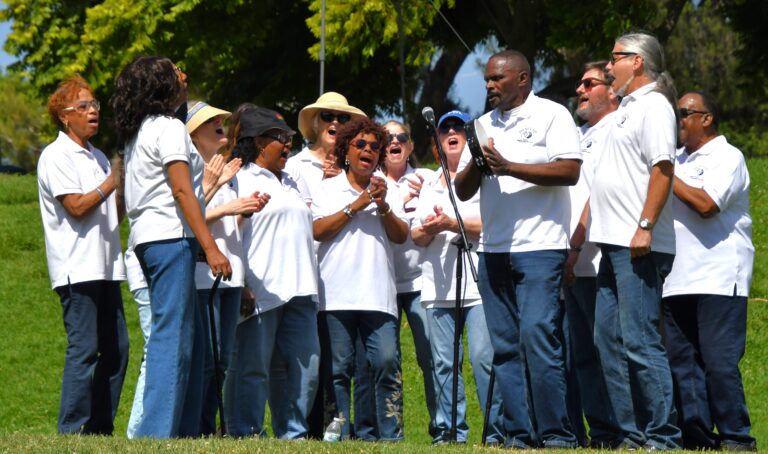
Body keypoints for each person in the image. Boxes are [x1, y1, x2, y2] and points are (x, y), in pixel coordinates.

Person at [454, 49, 582, 449]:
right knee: (506, 347)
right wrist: (478, 159)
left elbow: (570, 170)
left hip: (541, 247)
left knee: (537, 335)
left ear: (523, 79)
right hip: (493, 249)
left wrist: (509, 166)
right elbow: (462, 188)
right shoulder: (481, 124)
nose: (489, 85)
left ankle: (557, 435)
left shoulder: (552, 115)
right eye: (487, 79)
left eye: (498, 79)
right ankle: (520, 435)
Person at [111, 56, 231, 438]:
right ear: (162, 85)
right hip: (169, 238)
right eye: (177, 72)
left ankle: (184, 432)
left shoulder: (140, 130)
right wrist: (210, 247)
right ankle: (156, 434)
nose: (185, 75)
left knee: (189, 341)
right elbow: (182, 190)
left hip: (151, 239)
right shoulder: (168, 127)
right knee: (172, 339)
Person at [588, 32, 682, 450]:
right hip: (611, 244)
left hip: (638, 244)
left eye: (615, 59)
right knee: (606, 340)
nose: (609, 67)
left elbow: (663, 169)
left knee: (641, 341)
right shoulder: (626, 108)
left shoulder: (655, 106)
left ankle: (664, 437)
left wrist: (645, 224)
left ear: (637, 62)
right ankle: (632, 435)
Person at [661, 91, 756, 451]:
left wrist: (666, 173)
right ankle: (697, 437)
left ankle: (736, 436)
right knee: (682, 363)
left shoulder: (728, 156)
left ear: (707, 118)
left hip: (719, 274)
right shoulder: (675, 160)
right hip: (676, 276)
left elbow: (706, 204)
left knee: (718, 362)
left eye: (685, 112)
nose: (678, 119)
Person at [38, 74, 128, 435]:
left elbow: (110, 213)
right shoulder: (56, 155)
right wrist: (111, 182)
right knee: (85, 350)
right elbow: (76, 206)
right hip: (77, 269)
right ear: (64, 116)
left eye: (95, 105)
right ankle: (71, 431)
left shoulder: (99, 156)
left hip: (106, 267)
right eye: (84, 107)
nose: (93, 112)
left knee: (118, 350)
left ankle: (99, 431)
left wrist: (122, 189)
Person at [223, 106, 320, 439]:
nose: (288, 144)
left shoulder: (293, 178)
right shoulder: (238, 177)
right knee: (252, 368)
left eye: (291, 138)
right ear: (259, 142)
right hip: (260, 288)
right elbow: (227, 231)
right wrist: (243, 284)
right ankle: (244, 433)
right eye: (281, 138)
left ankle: (292, 435)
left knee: (304, 369)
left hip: (302, 289)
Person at [312, 117, 408, 441]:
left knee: (386, 363)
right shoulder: (326, 188)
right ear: (346, 151)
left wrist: (382, 206)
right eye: (361, 144)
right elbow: (318, 230)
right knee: (338, 369)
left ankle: (390, 436)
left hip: (378, 296)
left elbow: (401, 234)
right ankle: (335, 434)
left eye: (374, 146)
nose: (368, 150)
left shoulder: (389, 188)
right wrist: (357, 204)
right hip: (335, 294)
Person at [413, 110, 504, 445]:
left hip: (479, 284)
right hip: (438, 287)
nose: (451, 131)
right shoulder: (430, 183)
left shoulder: (481, 176)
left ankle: (495, 433)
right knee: (443, 364)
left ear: (468, 137)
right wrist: (429, 228)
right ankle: (450, 434)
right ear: (437, 141)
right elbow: (416, 235)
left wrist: (452, 223)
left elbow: (491, 223)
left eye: (458, 127)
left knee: (484, 359)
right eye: (444, 128)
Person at [186, 100, 266, 435]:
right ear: (193, 135)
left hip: (230, 276)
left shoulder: (229, 173)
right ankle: (197, 429)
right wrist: (227, 202)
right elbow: (189, 219)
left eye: (220, 118)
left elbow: (231, 230)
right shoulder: (190, 170)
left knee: (221, 361)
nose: (220, 122)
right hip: (203, 277)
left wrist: (244, 209)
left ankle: (208, 427)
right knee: (207, 360)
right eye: (210, 121)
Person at [562, 61, 622, 448]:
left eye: (590, 83)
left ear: (612, 90)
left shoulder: (617, 130)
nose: (580, 90)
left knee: (611, 351)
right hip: (572, 264)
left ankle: (629, 431)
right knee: (582, 355)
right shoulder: (577, 135)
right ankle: (601, 432)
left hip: (602, 260)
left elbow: (597, 196)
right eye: (579, 84)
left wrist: (575, 248)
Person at [380, 120, 436, 438]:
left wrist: (427, 192)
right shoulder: (369, 181)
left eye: (401, 137)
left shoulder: (426, 178)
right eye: (387, 138)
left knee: (431, 357)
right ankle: (390, 432)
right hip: (383, 285)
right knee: (387, 361)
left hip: (420, 283)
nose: (394, 141)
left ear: (411, 146)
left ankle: (443, 428)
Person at [288, 91, 367, 203]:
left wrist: (344, 180)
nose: (335, 122)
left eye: (343, 118)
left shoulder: (355, 167)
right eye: (327, 116)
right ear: (316, 123)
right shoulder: (293, 166)